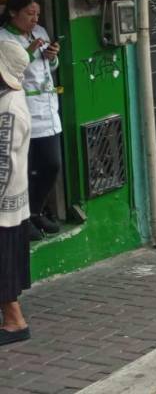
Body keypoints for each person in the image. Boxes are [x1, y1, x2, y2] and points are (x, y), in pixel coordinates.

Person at [0, 0, 62, 242]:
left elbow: (48, 67)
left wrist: (52, 56)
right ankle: (22, 221)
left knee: (51, 164)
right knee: (21, 172)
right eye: (29, 13)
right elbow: (9, 70)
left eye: (37, 13)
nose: (34, 19)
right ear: (13, 12)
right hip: (21, 112)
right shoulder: (4, 39)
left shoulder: (41, 33)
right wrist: (28, 52)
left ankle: (35, 210)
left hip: (47, 111)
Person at [0, 41, 32, 347]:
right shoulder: (12, 97)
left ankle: (15, 323)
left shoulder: (9, 107)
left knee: (3, 267)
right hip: (13, 203)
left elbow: (3, 162)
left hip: (4, 208)